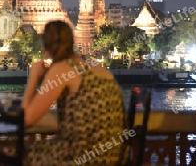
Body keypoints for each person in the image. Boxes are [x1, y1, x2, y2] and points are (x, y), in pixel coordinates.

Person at [22, 21, 129, 165]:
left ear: (46, 46)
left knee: (18, 153)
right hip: (115, 158)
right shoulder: (96, 68)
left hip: (82, 159)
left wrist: (34, 76)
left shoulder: (62, 68)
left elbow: (26, 120)